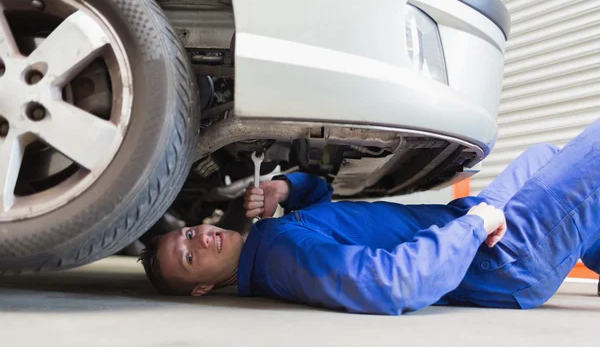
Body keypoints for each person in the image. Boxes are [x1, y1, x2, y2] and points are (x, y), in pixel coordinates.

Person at [139, 119, 600, 315]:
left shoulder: (269, 243)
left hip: (474, 232)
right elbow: (390, 283)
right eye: (189, 257)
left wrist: (286, 188)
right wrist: (475, 225)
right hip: (499, 255)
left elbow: (324, 207)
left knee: (543, 154)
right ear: (202, 287)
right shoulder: (282, 260)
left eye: (191, 234)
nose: (200, 240)